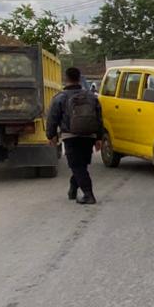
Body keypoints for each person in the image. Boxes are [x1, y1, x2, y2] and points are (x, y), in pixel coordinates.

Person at [46, 67, 104, 204]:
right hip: (89, 135)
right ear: (79, 78)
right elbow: (99, 118)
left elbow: (52, 118)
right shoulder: (91, 96)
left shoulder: (60, 98)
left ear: (66, 79)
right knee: (80, 165)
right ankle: (73, 189)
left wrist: (51, 136)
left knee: (77, 166)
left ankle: (89, 194)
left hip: (70, 136)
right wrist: (99, 138)